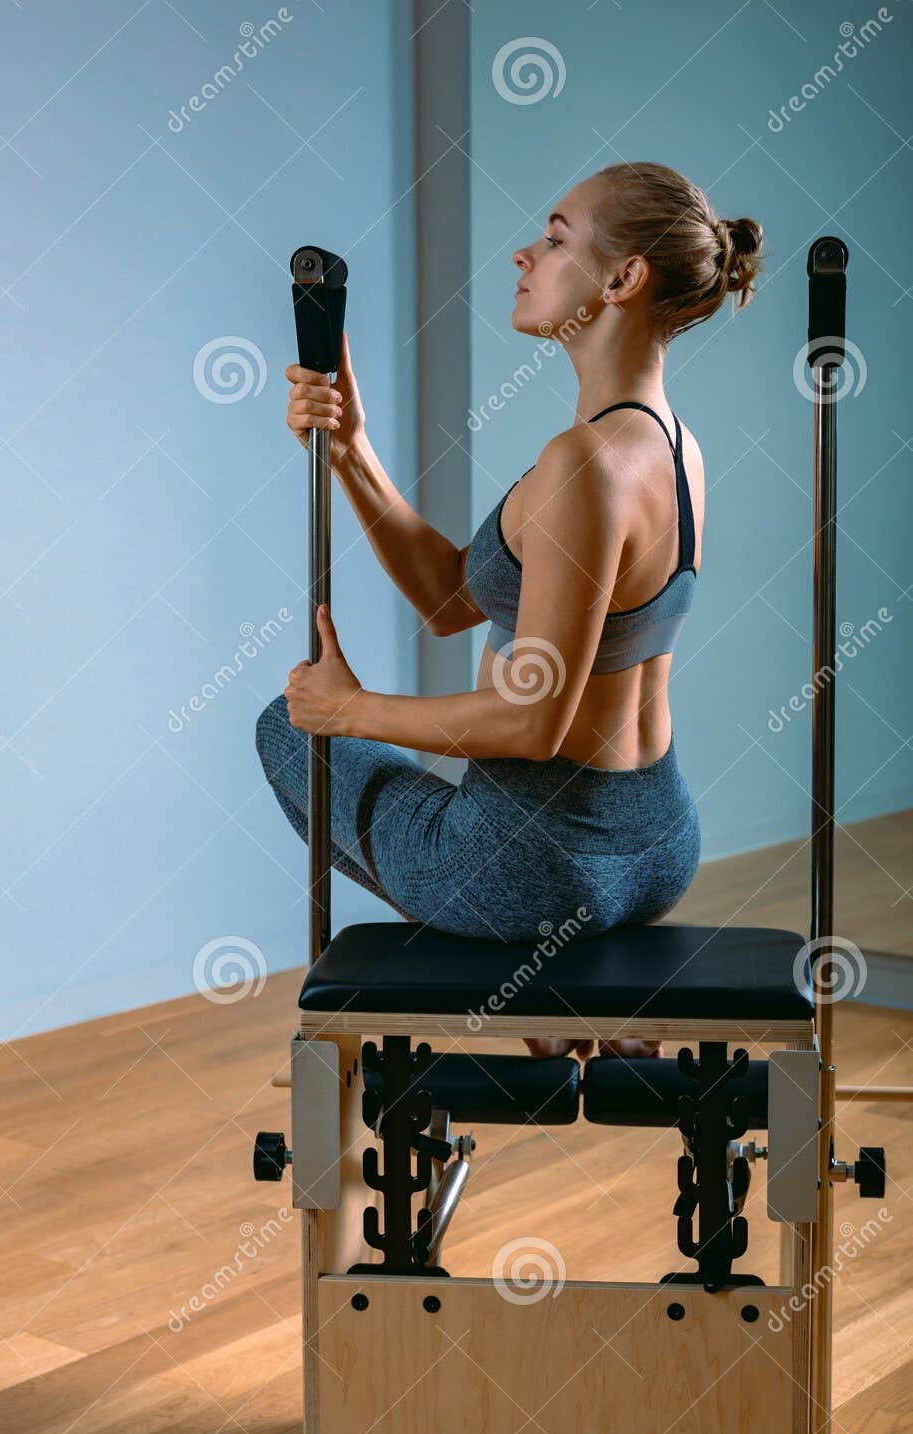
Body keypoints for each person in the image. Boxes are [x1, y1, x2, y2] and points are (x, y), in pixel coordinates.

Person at [255, 162, 765, 1058]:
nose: (524, 254)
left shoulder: (581, 463)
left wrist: (348, 711)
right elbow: (452, 599)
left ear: (620, 279)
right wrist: (351, 450)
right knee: (328, 736)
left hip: (535, 867)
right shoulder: (670, 446)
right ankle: (553, 995)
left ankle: (526, 980)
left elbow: (533, 723)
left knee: (286, 731)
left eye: (557, 237)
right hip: (656, 846)